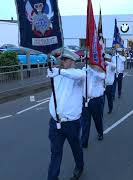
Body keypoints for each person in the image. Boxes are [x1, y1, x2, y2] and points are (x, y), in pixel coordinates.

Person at [47, 48, 85, 180]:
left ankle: (79, 165)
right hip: (55, 122)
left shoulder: (79, 74)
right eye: (62, 60)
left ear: (72, 61)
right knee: (55, 152)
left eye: (65, 60)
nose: (62, 62)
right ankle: (52, 177)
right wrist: (53, 71)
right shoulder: (57, 74)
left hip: (71, 123)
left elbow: (77, 75)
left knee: (76, 147)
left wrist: (59, 71)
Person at [81, 62, 106, 148]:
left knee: (97, 119)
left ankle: (100, 133)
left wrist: (93, 71)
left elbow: (103, 77)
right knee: (85, 122)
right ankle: (84, 142)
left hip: (96, 100)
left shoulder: (99, 71)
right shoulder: (84, 70)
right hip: (85, 100)